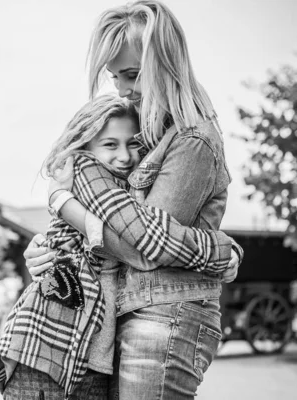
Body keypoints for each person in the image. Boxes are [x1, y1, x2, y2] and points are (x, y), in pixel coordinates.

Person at [23, 1, 241, 399]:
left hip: (167, 316)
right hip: (134, 313)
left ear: (166, 64)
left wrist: (63, 203)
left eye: (133, 74)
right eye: (114, 76)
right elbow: (120, 222)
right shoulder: (145, 136)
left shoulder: (192, 140)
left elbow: (144, 247)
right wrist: (48, 247)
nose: (122, 89)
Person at [0, 95, 240, 400]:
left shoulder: (122, 184)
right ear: (85, 144)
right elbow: (145, 242)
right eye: (110, 145)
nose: (124, 156)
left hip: (80, 351)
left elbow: (149, 224)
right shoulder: (85, 169)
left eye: (132, 144)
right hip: (55, 347)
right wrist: (220, 251)